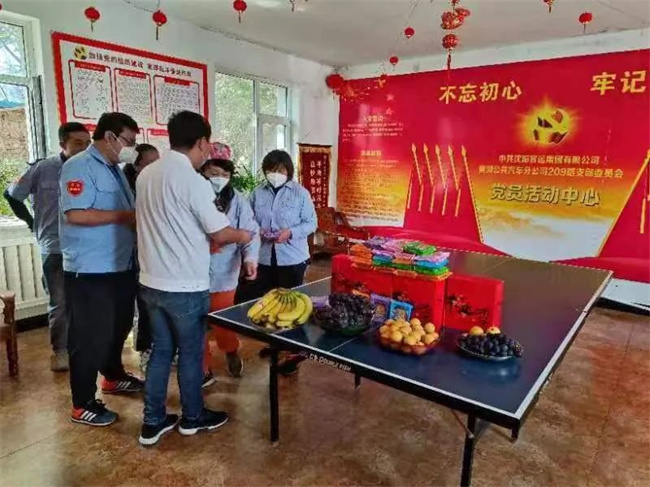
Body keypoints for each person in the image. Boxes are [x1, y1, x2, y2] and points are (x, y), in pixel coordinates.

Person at [136, 110, 252, 447]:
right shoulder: (193, 181)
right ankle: (193, 417)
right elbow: (220, 232)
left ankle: (153, 422)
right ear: (201, 142)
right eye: (208, 146)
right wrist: (243, 235)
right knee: (190, 352)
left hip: (151, 282)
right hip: (185, 285)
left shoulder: (147, 174)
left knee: (161, 352)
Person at [60, 112, 143, 427]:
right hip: (90, 270)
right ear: (110, 137)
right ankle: (82, 403)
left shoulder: (114, 169)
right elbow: (76, 215)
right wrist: (125, 217)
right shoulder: (79, 166)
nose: (131, 148)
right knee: (89, 336)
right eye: (129, 141)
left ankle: (113, 376)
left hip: (119, 264)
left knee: (118, 326)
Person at [3, 122, 90, 372]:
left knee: (85, 300)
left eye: (87, 143)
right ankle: (61, 351)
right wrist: (31, 223)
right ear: (63, 144)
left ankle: (83, 345)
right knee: (59, 302)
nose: (84, 148)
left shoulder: (90, 168)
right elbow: (12, 195)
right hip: (55, 246)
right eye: (78, 143)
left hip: (87, 247)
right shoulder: (43, 168)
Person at [250, 150, 317, 376]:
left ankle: (294, 352)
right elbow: (248, 219)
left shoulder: (300, 193)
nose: (275, 174)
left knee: (292, 306)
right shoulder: (257, 192)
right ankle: (276, 343)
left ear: (289, 170)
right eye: (271, 169)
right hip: (264, 257)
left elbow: (311, 223)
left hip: (292, 258)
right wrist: (258, 231)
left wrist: (290, 233)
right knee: (271, 304)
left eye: (280, 169)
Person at [200, 157, 260, 386]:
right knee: (195, 324)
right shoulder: (193, 195)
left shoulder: (238, 201)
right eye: (213, 173)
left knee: (222, 319)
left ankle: (231, 349)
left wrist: (250, 259)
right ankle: (203, 368)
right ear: (202, 172)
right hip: (193, 271)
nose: (219, 179)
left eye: (225, 175)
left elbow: (250, 233)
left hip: (225, 271)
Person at [121, 144, 161, 371]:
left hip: (154, 253)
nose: (156, 166)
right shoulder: (126, 186)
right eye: (150, 162)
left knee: (155, 304)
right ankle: (146, 350)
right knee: (143, 306)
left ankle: (161, 348)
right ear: (137, 165)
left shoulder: (158, 184)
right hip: (132, 254)